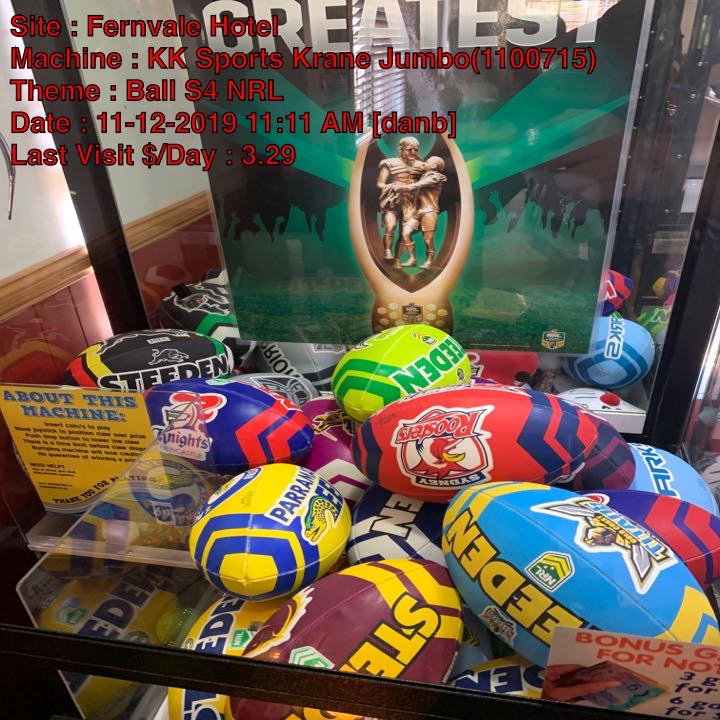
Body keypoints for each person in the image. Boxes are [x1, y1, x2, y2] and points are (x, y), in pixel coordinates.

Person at [376, 137, 425, 261]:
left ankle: (397, 260)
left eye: (416, 150)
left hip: (411, 203)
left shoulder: (422, 166)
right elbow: (380, 184)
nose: (413, 152)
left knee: (405, 232)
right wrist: (395, 187)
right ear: (401, 149)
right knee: (390, 226)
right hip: (393, 200)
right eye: (409, 149)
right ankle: (387, 250)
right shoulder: (389, 163)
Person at [395, 156, 447, 269]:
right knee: (405, 233)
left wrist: (409, 187)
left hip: (429, 212)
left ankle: (429, 262)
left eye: (427, 162)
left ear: (433, 165)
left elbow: (423, 184)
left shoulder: (436, 176)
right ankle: (412, 259)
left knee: (428, 239)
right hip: (418, 212)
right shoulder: (424, 177)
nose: (423, 163)